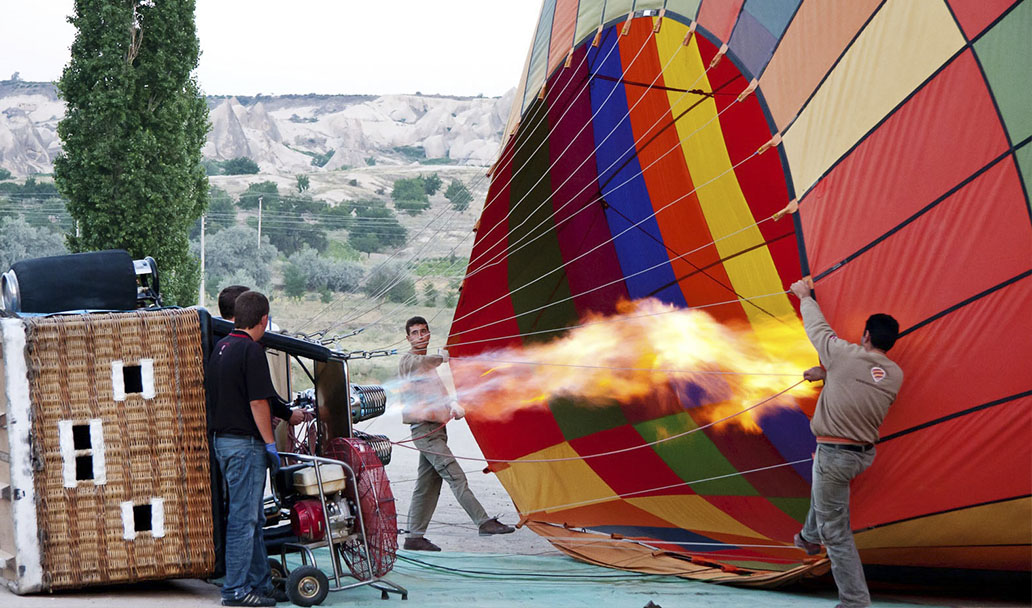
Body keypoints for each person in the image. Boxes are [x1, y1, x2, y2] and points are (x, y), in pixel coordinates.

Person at [788, 279, 903, 608]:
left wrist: (805, 297)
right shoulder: (895, 374)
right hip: (859, 456)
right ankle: (808, 538)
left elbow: (818, 330)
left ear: (866, 335)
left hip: (835, 456)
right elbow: (864, 380)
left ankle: (855, 602)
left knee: (835, 532)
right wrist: (826, 374)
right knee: (825, 495)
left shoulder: (843, 354)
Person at [208, 291, 298, 607]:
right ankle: (235, 590)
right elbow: (259, 402)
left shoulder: (222, 346)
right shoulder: (251, 350)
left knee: (254, 518)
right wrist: (271, 445)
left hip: (223, 443)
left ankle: (261, 583)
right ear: (264, 319)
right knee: (244, 520)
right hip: (245, 446)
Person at [399, 316, 515, 551]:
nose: (420, 336)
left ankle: (414, 537)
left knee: (427, 485)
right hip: (426, 433)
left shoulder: (430, 369)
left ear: (429, 333)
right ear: (408, 337)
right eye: (415, 333)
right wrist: (443, 357)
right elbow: (421, 364)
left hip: (436, 433)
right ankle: (483, 522)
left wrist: (451, 405)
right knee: (455, 476)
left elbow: (437, 393)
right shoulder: (409, 361)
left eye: (424, 331)